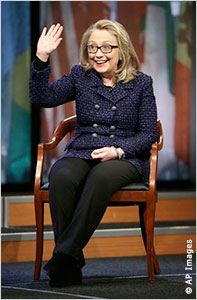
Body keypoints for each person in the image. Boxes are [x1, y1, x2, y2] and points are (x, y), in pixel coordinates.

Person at [30, 19, 158, 287]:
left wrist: (118, 150)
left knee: (100, 178)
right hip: (84, 149)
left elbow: (148, 134)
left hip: (125, 156)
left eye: (106, 47)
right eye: (92, 48)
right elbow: (42, 97)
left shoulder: (142, 83)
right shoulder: (80, 76)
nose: (98, 54)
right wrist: (42, 57)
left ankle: (63, 256)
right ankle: (71, 262)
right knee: (62, 175)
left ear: (121, 49)